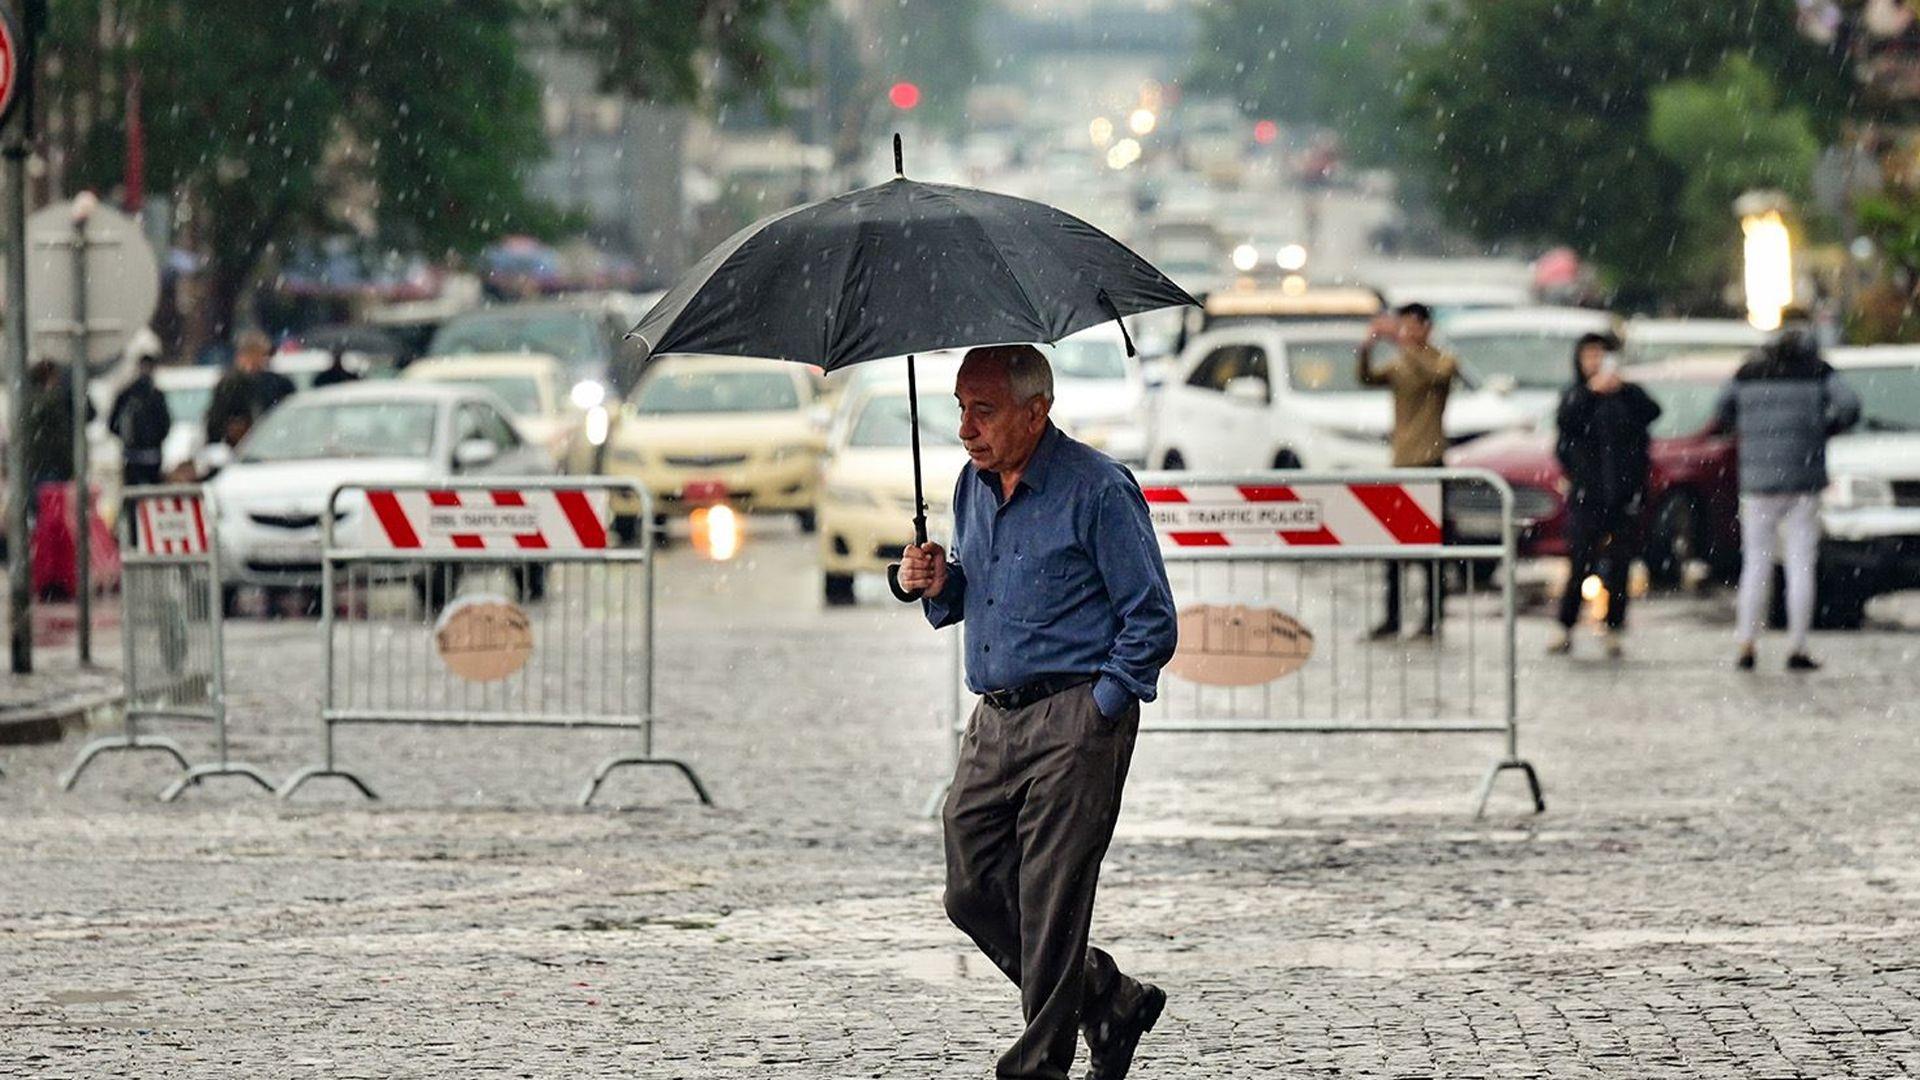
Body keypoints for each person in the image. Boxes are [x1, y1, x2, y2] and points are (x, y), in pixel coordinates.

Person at [898, 344, 1178, 1080]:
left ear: (1037, 409)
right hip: (994, 718)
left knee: (1051, 898)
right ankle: (1107, 998)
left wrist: (1101, 707)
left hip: (1073, 717)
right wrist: (928, 581)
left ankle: (1037, 1066)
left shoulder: (1097, 489)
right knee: (970, 889)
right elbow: (972, 593)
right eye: (960, 408)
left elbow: (1152, 619)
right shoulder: (970, 485)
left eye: (982, 410)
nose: (965, 428)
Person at [1711, 326, 1860, 671]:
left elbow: (1722, 410)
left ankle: (1746, 642)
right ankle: (1797, 644)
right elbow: (1850, 406)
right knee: (1800, 564)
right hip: (1803, 479)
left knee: (1756, 563)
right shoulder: (1818, 372)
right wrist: (1825, 428)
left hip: (1758, 482)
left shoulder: (1748, 372)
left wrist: (1746, 428)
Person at [1549, 333, 1660, 658]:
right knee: (1580, 561)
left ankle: (1614, 625)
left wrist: (1621, 388)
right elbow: (1565, 424)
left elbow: (1652, 413)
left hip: (1623, 493)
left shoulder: (1628, 395)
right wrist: (1589, 393)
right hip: (1588, 493)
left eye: (1600, 356)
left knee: (1620, 563)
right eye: (1589, 356)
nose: (1595, 363)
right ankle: (1566, 625)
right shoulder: (1576, 396)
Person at [1356, 301, 1460, 638]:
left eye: (1413, 326)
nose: (1407, 332)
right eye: (1404, 326)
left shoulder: (1441, 359)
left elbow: (1437, 375)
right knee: (1394, 545)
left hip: (1430, 461)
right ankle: (1393, 617)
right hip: (1401, 462)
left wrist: (1405, 346)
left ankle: (1432, 617)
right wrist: (1367, 346)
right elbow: (1367, 378)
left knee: (1431, 545)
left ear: (1427, 327)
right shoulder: (1399, 365)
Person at [205, 330, 294, 448]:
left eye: (262, 354)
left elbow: (289, 417)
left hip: (273, 446)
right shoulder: (230, 384)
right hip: (238, 449)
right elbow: (216, 420)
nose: (259, 359)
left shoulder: (279, 383)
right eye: (253, 353)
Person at [109, 351, 172, 487]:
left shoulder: (127, 395)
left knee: (132, 497)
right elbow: (166, 424)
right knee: (153, 498)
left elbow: (112, 424)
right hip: (151, 456)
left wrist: (127, 439)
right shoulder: (155, 395)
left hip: (132, 456)